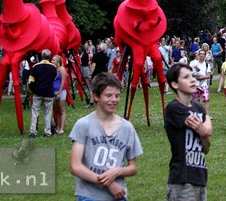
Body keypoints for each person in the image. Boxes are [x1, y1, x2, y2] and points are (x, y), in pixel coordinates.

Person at [70, 72, 142, 201]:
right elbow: (76, 166)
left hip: (118, 195)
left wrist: (117, 171)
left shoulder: (127, 127)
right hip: (89, 195)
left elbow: (133, 167)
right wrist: (108, 184)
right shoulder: (83, 125)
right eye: (108, 95)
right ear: (96, 96)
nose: (114, 100)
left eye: (117, 96)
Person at [165, 63, 212, 201]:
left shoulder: (198, 107)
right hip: (182, 179)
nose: (192, 79)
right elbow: (206, 130)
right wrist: (207, 119)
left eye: (192, 75)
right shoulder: (174, 108)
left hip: (200, 176)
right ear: (174, 84)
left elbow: (206, 148)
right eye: (186, 77)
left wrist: (204, 131)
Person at [28, 49, 58, 138]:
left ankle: (33, 131)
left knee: (35, 112)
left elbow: (31, 80)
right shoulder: (53, 67)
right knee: (48, 113)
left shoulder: (36, 67)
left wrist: (33, 90)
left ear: (42, 56)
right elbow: (54, 78)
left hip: (38, 92)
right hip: (48, 92)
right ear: (49, 57)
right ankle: (47, 132)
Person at [51, 54, 68, 135]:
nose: (52, 61)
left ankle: (61, 128)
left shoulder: (62, 69)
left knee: (61, 110)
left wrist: (59, 92)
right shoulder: (53, 69)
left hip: (60, 91)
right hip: (53, 91)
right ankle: (58, 127)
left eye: (54, 60)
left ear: (58, 61)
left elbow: (63, 82)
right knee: (57, 110)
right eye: (52, 60)